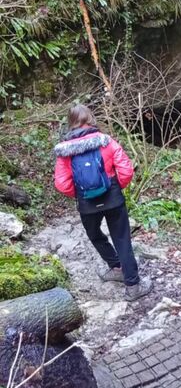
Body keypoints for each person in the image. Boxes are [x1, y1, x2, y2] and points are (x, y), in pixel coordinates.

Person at [54, 104, 153, 301]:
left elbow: (62, 183)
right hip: (113, 198)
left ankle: (115, 267)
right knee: (122, 239)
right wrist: (115, 187)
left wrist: (81, 194)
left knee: (95, 235)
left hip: (86, 204)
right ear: (90, 118)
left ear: (71, 122)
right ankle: (133, 287)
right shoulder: (106, 142)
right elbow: (126, 170)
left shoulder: (64, 151)